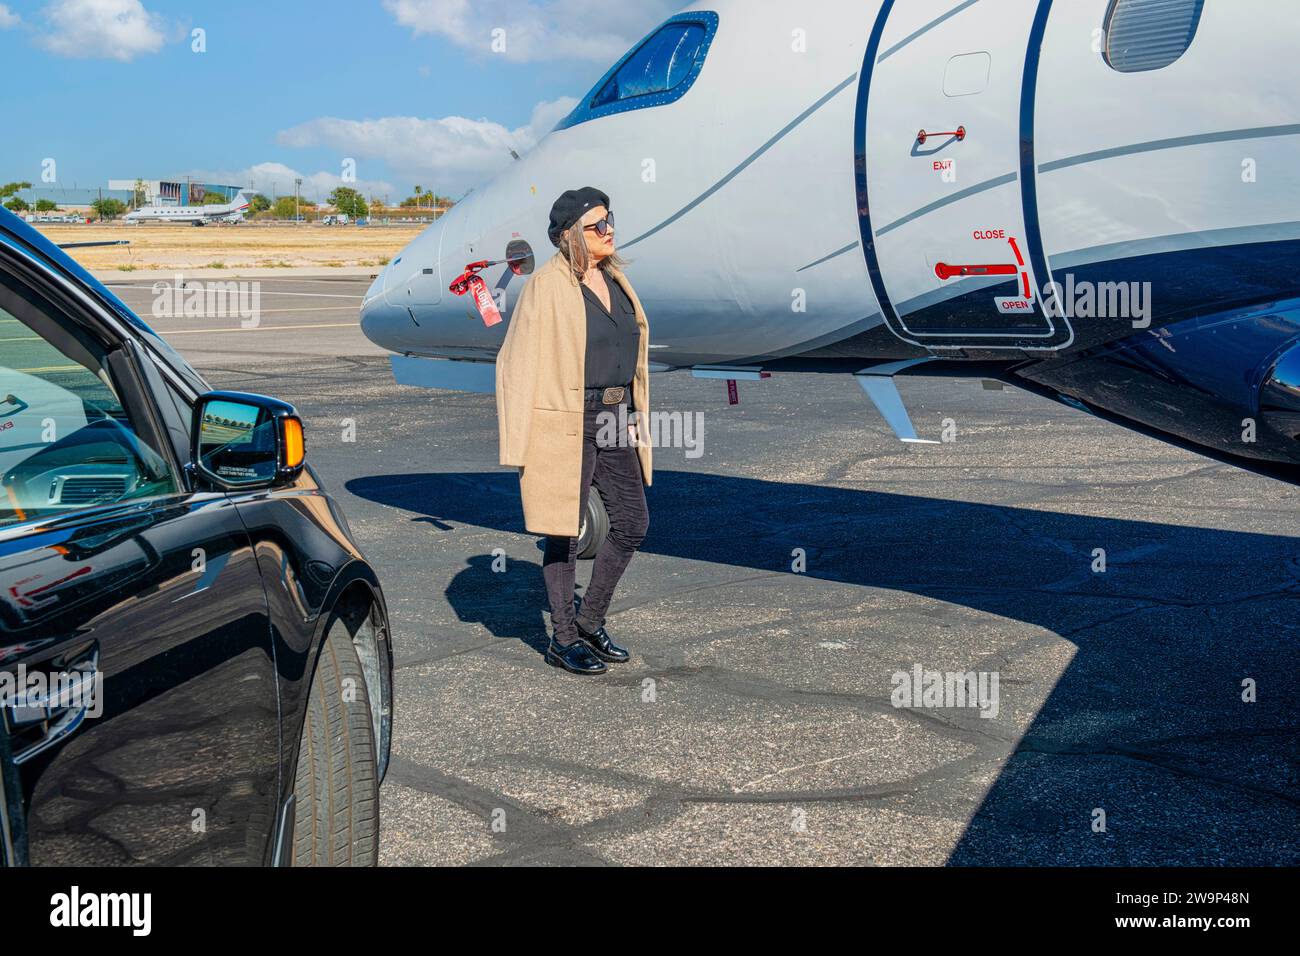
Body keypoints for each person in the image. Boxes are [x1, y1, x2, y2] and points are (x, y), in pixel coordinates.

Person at [495, 187, 652, 676]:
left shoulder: (617, 280)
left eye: (610, 221)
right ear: (570, 237)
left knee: (632, 523)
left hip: (613, 416)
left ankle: (589, 621)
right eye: (597, 226)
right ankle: (562, 638)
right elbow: (515, 362)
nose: (609, 231)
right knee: (563, 531)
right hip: (565, 418)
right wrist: (519, 442)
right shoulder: (547, 287)